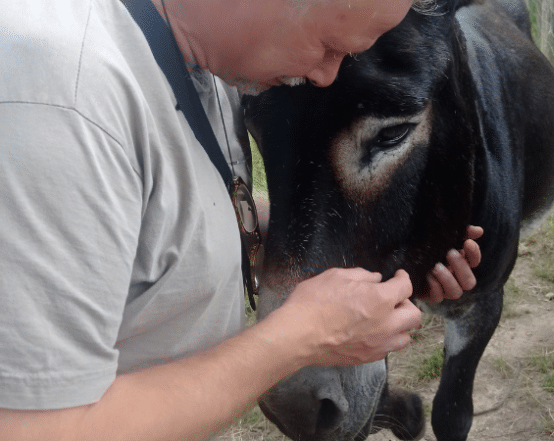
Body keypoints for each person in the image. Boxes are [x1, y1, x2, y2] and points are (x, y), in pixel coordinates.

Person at [0, 0, 483, 440]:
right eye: (329, 46)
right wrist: (299, 337)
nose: (327, 75)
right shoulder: (64, 99)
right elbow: (39, 430)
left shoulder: (206, 64)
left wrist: (389, 253)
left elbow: (157, 216)